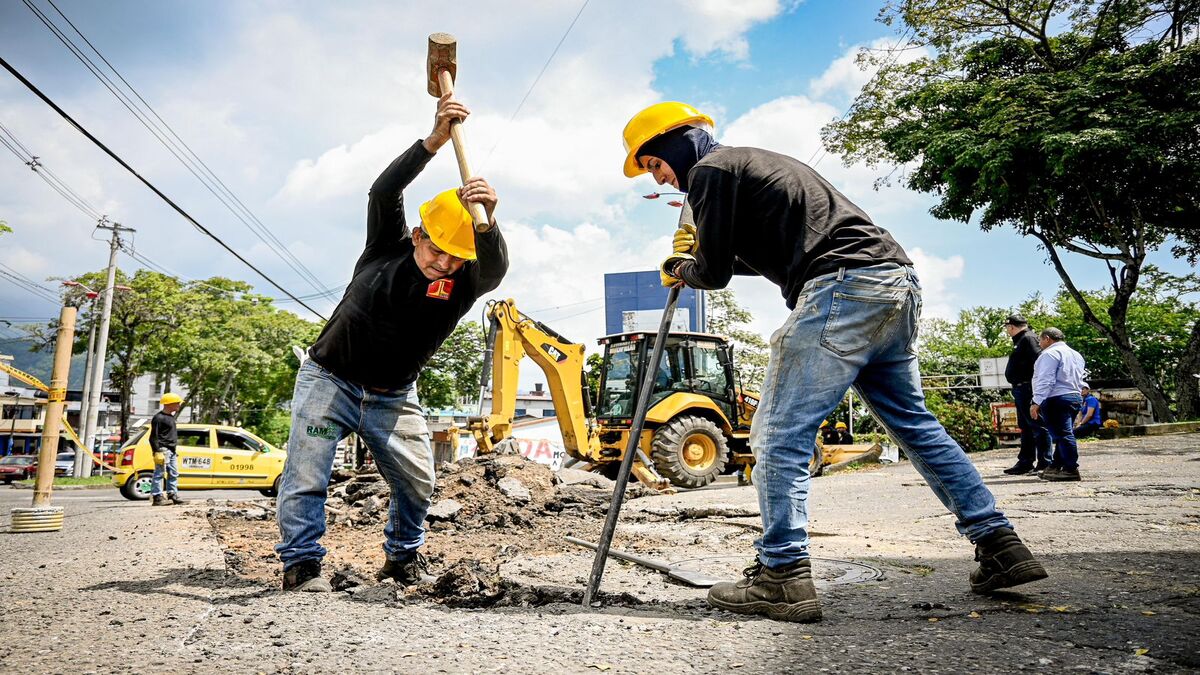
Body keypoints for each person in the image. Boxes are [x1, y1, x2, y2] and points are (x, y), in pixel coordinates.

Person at [621, 101, 1046, 622]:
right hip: (893, 283)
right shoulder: (753, 165)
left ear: (676, 143)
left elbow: (713, 275)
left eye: (655, 164)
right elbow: (753, 257)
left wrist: (683, 265)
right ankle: (1000, 545)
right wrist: (704, 249)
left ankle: (782, 575)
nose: (660, 179)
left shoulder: (710, 171)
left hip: (841, 288)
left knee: (778, 434)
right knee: (915, 426)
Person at [275, 92, 509, 592]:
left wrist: (488, 219)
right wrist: (434, 141)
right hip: (329, 381)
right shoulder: (386, 247)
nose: (445, 263)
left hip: (394, 396)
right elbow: (383, 191)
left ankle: (402, 558)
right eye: (438, 249)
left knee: (418, 481)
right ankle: (302, 565)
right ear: (419, 233)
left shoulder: (467, 280)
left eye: (457, 257)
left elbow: (495, 265)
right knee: (306, 476)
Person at [1030, 328, 1086, 481]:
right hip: (1074, 396)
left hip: (1056, 397)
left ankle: (1070, 469)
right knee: (1064, 433)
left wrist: (1036, 401)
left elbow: (1046, 379)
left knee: (1063, 435)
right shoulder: (1076, 354)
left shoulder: (1049, 354)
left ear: (1047, 338)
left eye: (1040, 340)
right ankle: (1056, 466)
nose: (1039, 344)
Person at [1002, 314, 1053, 474]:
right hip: (1021, 388)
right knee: (1026, 427)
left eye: (1007, 327)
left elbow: (1039, 361)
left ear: (1011, 326)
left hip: (1027, 388)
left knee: (1037, 425)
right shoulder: (1022, 340)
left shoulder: (1028, 338)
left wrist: (1035, 386)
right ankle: (1025, 461)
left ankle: (1045, 462)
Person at [149, 392, 184, 506]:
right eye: (177, 403)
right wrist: (157, 451)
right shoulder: (159, 418)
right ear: (169, 404)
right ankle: (157, 497)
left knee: (173, 473)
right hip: (163, 449)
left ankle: (172, 494)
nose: (179, 405)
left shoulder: (170, 417)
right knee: (159, 473)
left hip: (171, 450)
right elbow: (153, 437)